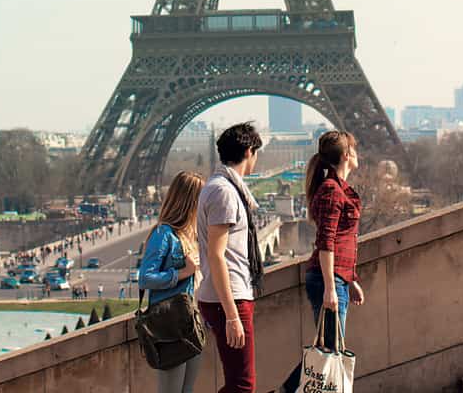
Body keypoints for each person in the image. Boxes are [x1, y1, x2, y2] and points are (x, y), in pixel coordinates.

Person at [280, 131, 365, 393]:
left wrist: (349, 279)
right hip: (328, 279)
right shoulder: (331, 190)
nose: (357, 153)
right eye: (355, 148)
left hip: (336, 278)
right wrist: (331, 286)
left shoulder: (336, 188)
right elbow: (327, 242)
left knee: (329, 349)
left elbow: (340, 241)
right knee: (329, 350)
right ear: (347, 155)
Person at [197, 123, 264, 393]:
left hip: (230, 295)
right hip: (230, 298)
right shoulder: (224, 192)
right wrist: (232, 316)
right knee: (242, 384)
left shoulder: (220, 187)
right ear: (249, 151)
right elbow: (216, 255)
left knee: (239, 382)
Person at [138, 171, 205, 393]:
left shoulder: (188, 235)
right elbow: (145, 277)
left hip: (189, 322)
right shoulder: (163, 233)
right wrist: (184, 272)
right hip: (169, 325)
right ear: (190, 202)